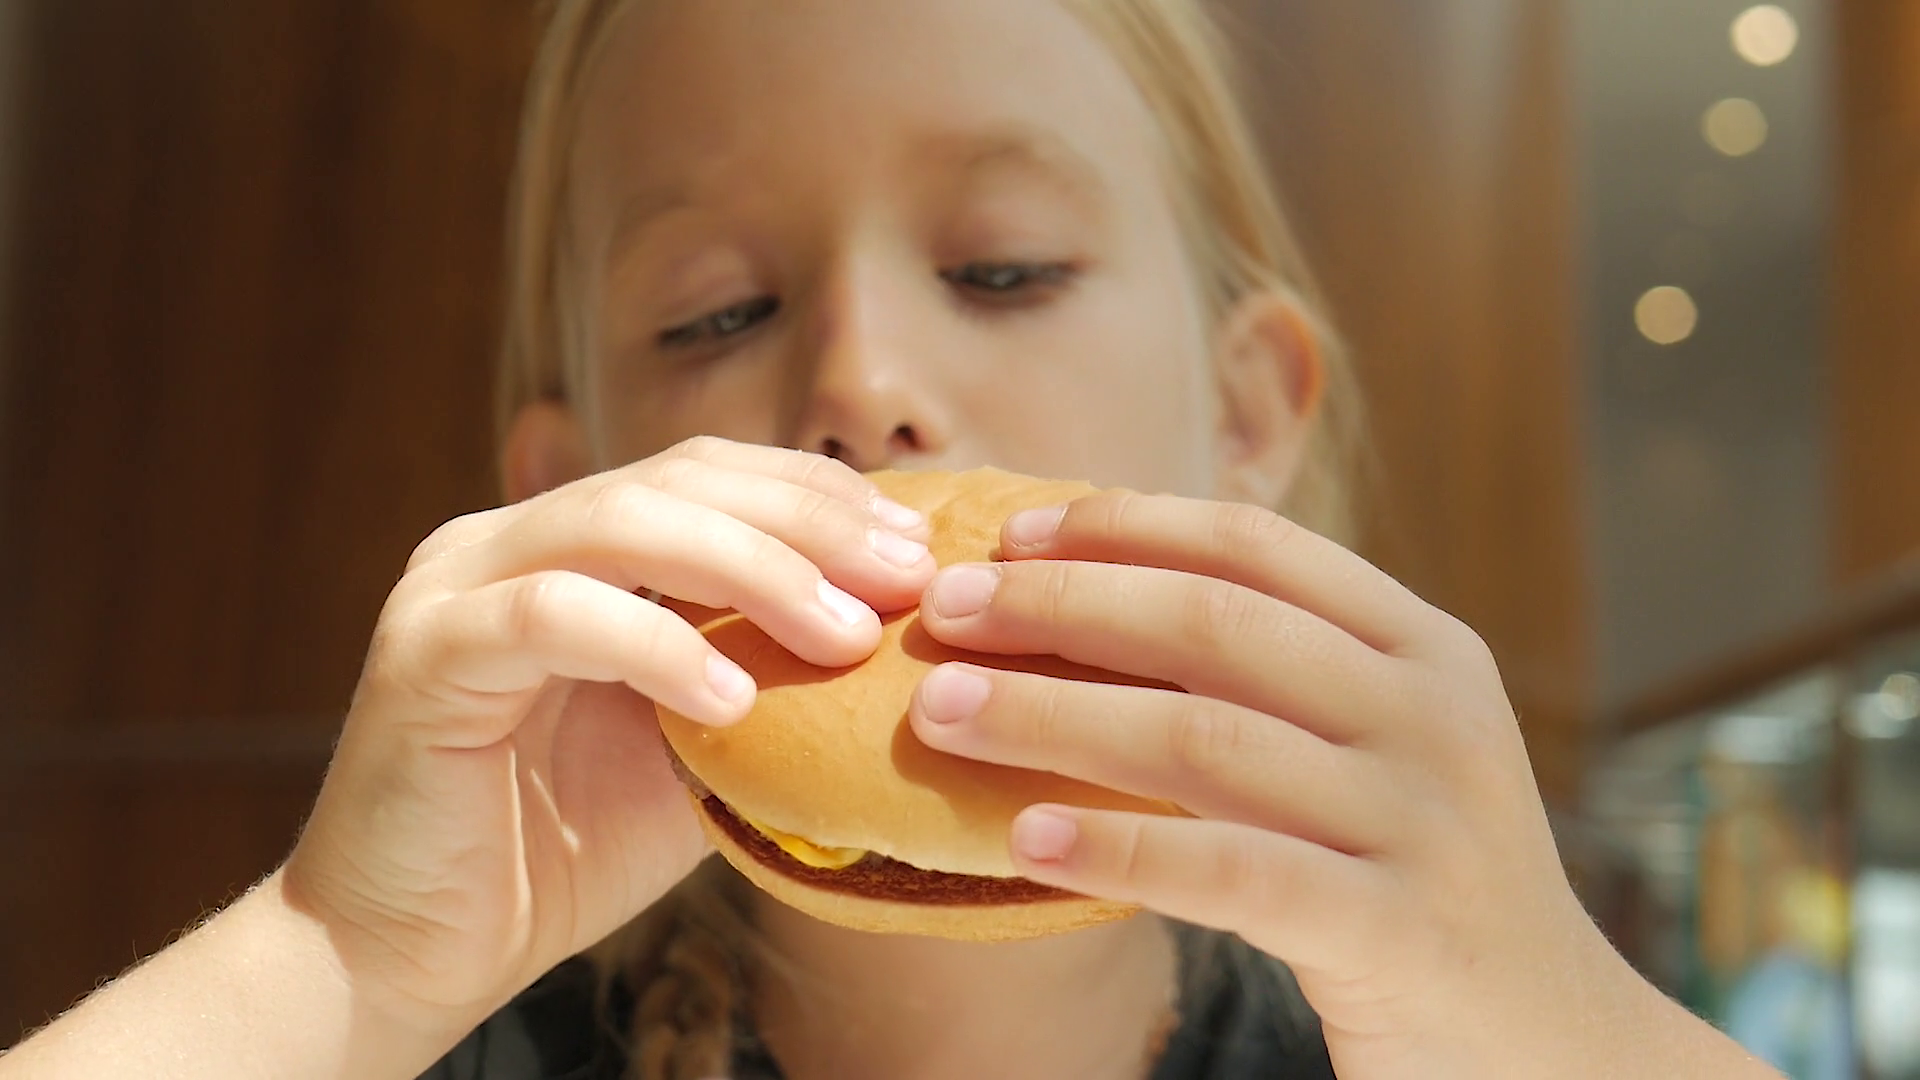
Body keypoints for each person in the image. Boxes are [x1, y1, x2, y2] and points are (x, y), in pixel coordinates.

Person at [1, 1, 1783, 1077]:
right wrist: (331, 962)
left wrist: (1570, 1038)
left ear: (1245, 420)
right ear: (573, 496)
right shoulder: (425, 1049)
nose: (864, 382)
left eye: (1003, 266)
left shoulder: (1429, 1039)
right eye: (718, 312)